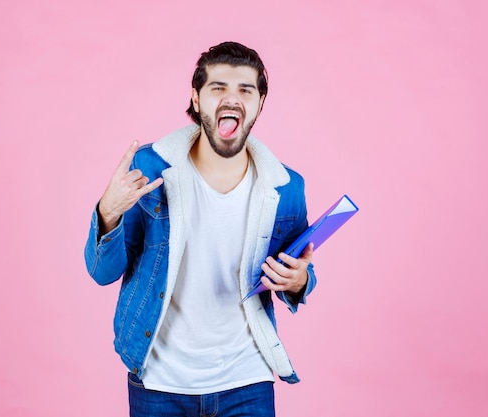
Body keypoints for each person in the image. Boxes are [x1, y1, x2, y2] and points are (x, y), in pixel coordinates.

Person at [84, 41, 317, 417]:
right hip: (160, 382)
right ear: (195, 99)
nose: (233, 98)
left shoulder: (286, 187)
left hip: (247, 379)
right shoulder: (150, 168)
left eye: (246, 89)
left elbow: (297, 270)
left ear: (259, 104)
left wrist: (298, 281)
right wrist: (107, 212)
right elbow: (102, 273)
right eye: (218, 87)